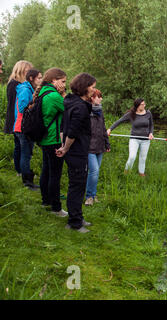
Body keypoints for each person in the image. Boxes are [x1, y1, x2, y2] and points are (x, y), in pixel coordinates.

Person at [56, 73, 97, 233]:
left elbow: (63, 126)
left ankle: (77, 217)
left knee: (78, 184)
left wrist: (62, 145)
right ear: (84, 87)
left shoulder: (71, 101)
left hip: (73, 150)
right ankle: (74, 223)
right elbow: (72, 131)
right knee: (77, 186)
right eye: (92, 87)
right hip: (77, 151)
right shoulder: (79, 107)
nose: (94, 90)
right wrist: (65, 148)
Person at [35, 68, 68, 217]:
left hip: (44, 138)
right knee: (55, 174)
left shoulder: (42, 92)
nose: (64, 85)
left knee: (46, 170)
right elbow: (69, 109)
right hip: (53, 139)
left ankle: (45, 200)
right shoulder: (54, 96)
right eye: (63, 81)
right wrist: (62, 94)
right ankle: (56, 208)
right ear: (54, 80)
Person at [107, 98, 154, 177]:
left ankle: (141, 173)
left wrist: (151, 133)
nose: (144, 105)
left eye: (144, 104)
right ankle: (126, 172)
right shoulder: (131, 114)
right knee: (132, 156)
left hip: (146, 140)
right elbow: (119, 121)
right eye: (142, 104)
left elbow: (151, 125)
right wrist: (110, 129)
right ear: (138, 105)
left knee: (143, 158)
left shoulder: (148, 113)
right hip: (134, 139)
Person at [14, 68, 42, 189]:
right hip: (23, 127)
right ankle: (27, 182)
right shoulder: (25, 90)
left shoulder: (28, 89)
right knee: (26, 154)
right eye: (39, 78)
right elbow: (22, 108)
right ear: (31, 78)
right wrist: (35, 105)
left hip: (23, 126)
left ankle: (27, 178)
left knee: (26, 153)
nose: (41, 80)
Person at [3, 60, 33, 176]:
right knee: (22, 148)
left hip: (14, 118)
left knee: (19, 147)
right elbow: (19, 104)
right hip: (16, 118)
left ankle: (20, 170)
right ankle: (21, 171)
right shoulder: (16, 85)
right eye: (27, 71)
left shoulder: (13, 83)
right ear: (21, 71)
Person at [85, 89, 110, 206]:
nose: (101, 99)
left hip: (100, 146)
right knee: (94, 171)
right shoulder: (86, 111)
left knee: (96, 172)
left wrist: (107, 143)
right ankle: (89, 197)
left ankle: (93, 195)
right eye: (99, 97)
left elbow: (103, 129)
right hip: (89, 147)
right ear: (92, 98)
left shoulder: (100, 111)